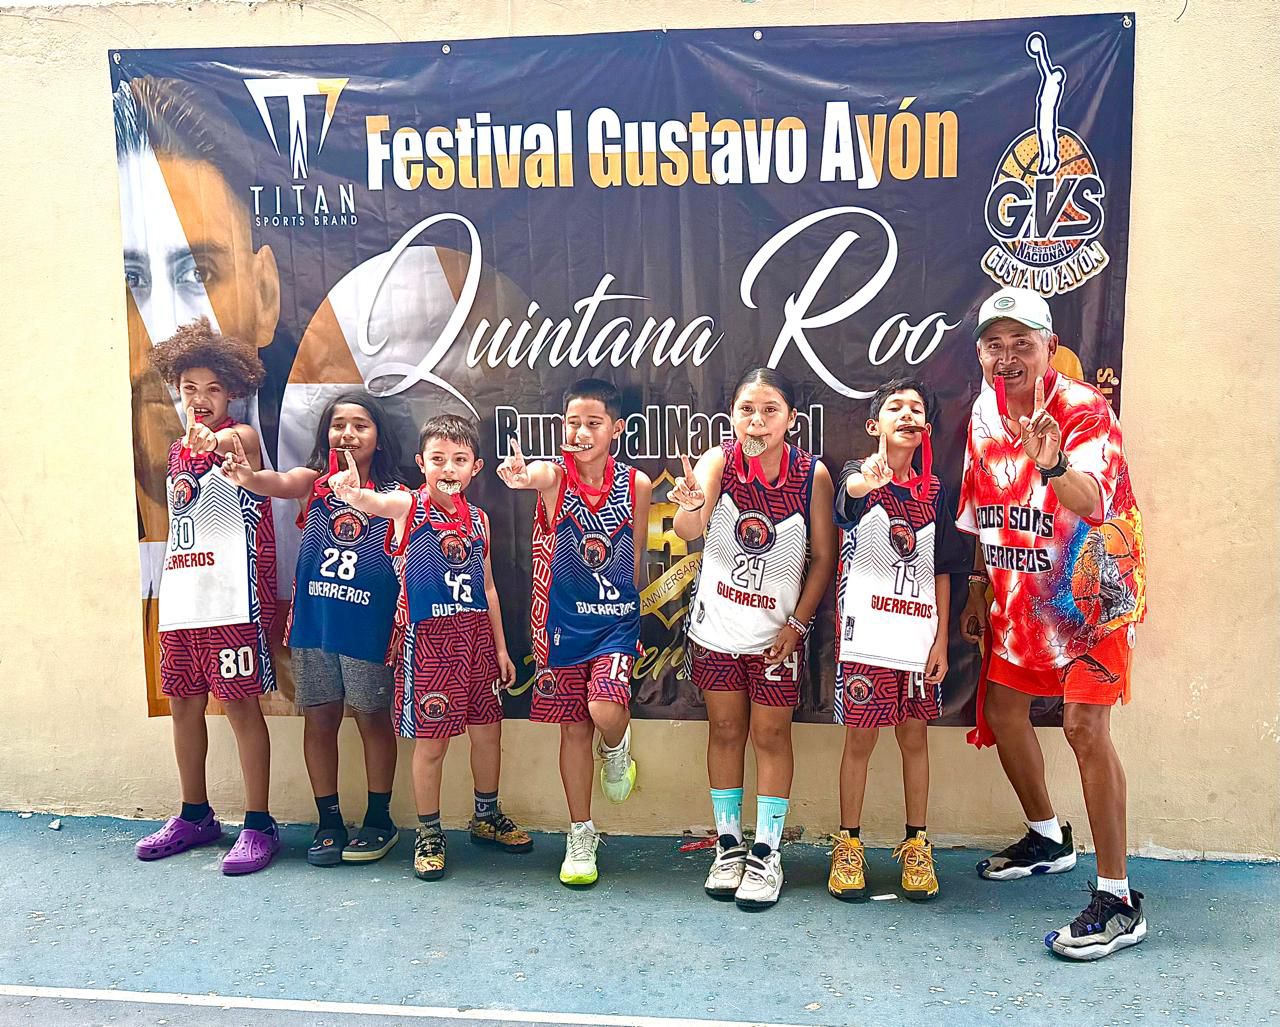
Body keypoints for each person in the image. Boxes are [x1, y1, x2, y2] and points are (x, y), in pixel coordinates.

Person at [958, 287, 1147, 960]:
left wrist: (1053, 463)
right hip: (1021, 593)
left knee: (1084, 728)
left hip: (1093, 596)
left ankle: (1118, 899)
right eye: (994, 344)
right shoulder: (982, 412)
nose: (1007, 357)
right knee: (1003, 708)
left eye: (1022, 343)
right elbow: (983, 502)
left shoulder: (1084, 409)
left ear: (1050, 346)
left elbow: (1092, 499)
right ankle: (1047, 837)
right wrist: (978, 584)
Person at [332, 415, 530, 881]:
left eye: (459, 460)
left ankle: (486, 816)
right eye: (438, 459)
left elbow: (489, 587)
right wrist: (354, 495)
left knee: (488, 734)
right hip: (428, 644)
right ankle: (429, 832)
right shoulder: (409, 505)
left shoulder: (479, 520)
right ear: (421, 463)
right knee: (433, 744)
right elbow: (375, 501)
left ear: (475, 467)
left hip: (476, 640)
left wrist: (501, 648)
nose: (448, 468)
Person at [670, 368, 836, 910]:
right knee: (724, 731)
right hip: (717, 632)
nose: (757, 421)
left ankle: (766, 853)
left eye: (769, 410)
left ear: (791, 418)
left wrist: (798, 626)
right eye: (747, 410)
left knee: (771, 735)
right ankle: (728, 846)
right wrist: (690, 503)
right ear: (732, 416)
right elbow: (688, 531)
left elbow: (823, 559)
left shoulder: (811, 474)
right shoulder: (718, 462)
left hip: (775, 639)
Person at [220, 392, 403, 866]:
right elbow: (275, 481)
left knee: (372, 719)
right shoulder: (312, 482)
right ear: (326, 434)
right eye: (338, 424)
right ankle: (329, 821)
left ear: (379, 437)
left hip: (367, 628)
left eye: (360, 425)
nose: (348, 433)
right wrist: (247, 476)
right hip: (314, 625)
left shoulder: (395, 493)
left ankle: (380, 819)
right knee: (319, 720)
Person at [133, 319, 279, 875]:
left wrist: (212, 440)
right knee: (183, 705)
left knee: (241, 707)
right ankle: (195, 814)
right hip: (184, 601)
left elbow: (229, 445)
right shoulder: (175, 452)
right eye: (190, 388)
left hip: (232, 601)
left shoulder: (241, 439)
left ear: (232, 392)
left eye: (213, 389)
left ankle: (259, 824)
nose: (200, 398)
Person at [496, 379, 651, 887]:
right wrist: (522, 476)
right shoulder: (556, 477)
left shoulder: (636, 484)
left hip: (615, 623)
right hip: (560, 624)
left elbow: (636, 557)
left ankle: (617, 747)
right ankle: (581, 832)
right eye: (573, 423)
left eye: (593, 423)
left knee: (604, 709)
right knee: (573, 729)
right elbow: (535, 474)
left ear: (616, 429)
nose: (581, 432)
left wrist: (633, 613)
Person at [826, 378, 969, 902]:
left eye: (915, 409)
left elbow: (944, 568)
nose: (907, 415)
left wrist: (940, 641)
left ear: (926, 427)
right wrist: (867, 480)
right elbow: (847, 501)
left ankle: (917, 844)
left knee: (914, 739)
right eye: (895, 408)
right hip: (866, 642)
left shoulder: (935, 491)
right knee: (859, 742)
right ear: (875, 424)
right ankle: (848, 844)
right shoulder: (857, 475)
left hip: (916, 641)